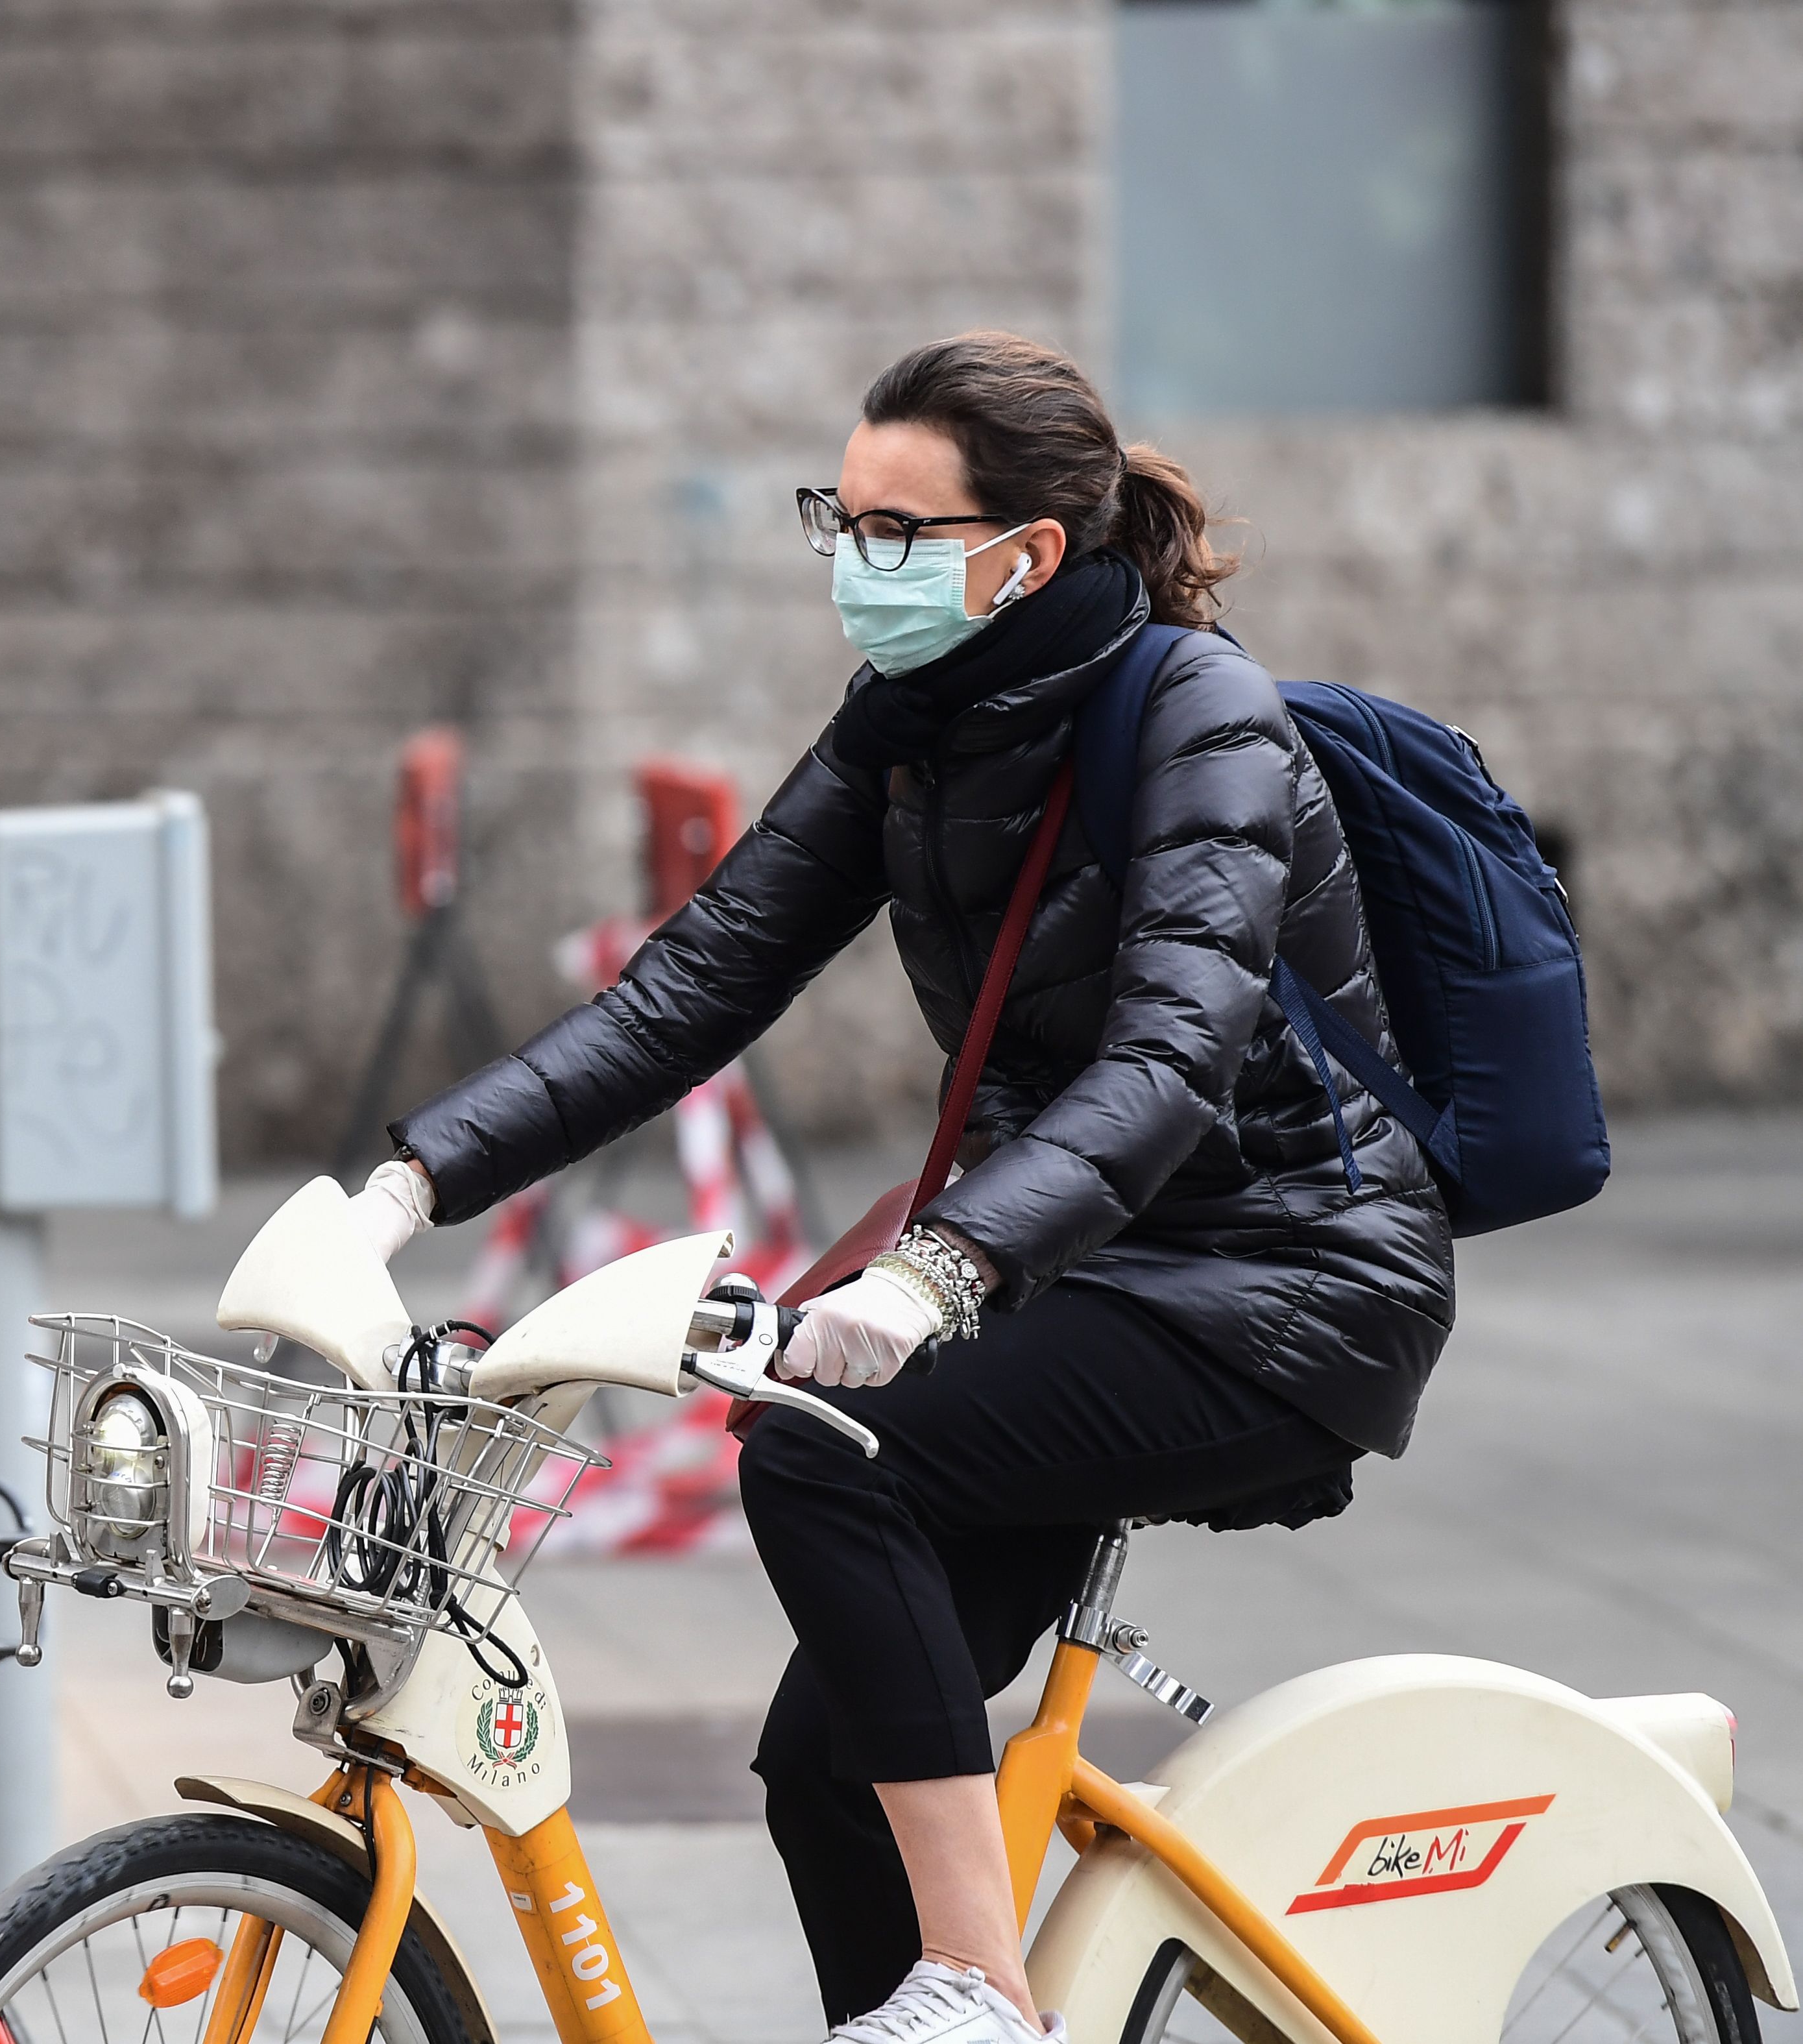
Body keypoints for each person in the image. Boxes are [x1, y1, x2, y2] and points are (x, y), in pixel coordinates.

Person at [343, 332, 1456, 2044]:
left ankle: (977, 1988)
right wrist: (407, 1182)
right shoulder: (910, 727)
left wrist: (935, 1275)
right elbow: (688, 986)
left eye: (890, 531)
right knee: (821, 1766)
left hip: (1283, 1282)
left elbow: (1163, 1063)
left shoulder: (1197, 721)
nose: (848, 565)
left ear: (1022, 556)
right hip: (1072, 1266)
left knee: (810, 1448)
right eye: (835, 518)